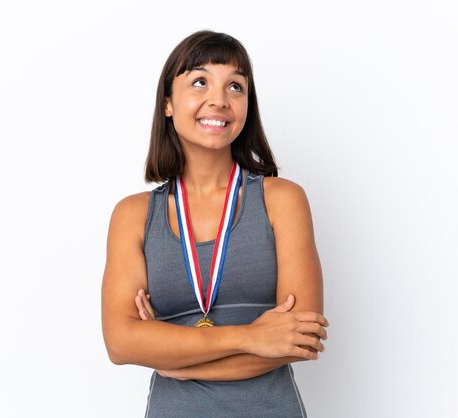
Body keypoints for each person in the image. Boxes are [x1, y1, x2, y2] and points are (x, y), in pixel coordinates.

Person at [101, 29, 329, 417]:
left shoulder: (282, 200)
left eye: (236, 86)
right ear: (168, 103)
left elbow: (299, 339)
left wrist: (172, 359)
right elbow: (121, 343)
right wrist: (253, 336)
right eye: (200, 81)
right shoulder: (133, 215)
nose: (219, 100)